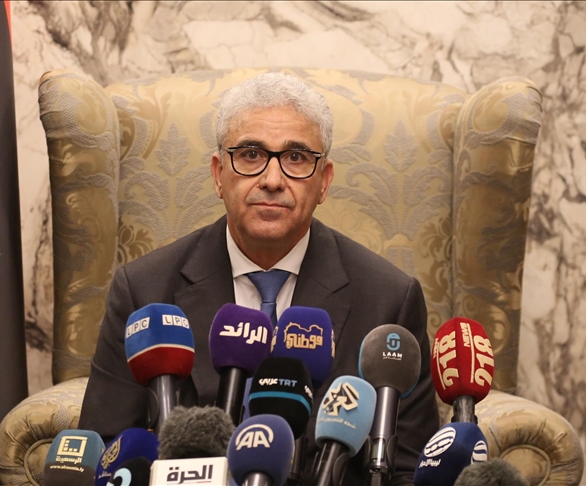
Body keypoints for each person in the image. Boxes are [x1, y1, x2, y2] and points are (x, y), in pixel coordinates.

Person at [79, 72, 439, 484]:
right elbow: (107, 454)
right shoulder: (143, 290)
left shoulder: (389, 299)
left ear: (324, 182)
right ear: (218, 174)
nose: (272, 180)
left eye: (296, 157)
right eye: (250, 154)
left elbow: (410, 470)